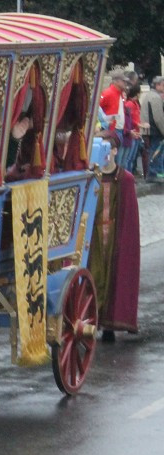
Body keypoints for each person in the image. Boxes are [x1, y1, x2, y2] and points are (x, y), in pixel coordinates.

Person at [88, 133, 140, 340]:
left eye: (109, 149)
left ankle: (109, 324)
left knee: (113, 276)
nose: (106, 154)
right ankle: (92, 320)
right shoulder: (92, 177)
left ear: (115, 151)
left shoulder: (125, 180)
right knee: (94, 276)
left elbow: (129, 217)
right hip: (95, 237)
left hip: (115, 237)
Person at [141, 76, 164, 182]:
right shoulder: (155, 97)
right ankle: (153, 173)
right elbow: (159, 118)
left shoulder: (150, 95)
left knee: (154, 151)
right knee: (156, 151)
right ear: (157, 85)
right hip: (154, 130)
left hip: (151, 130)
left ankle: (154, 172)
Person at [99, 67, 129, 134]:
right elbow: (96, 109)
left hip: (120, 130)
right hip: (111, 130)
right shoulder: (107, 93)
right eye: (124, 81)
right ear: (117, 81)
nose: (126, 83)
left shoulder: (121, 94)